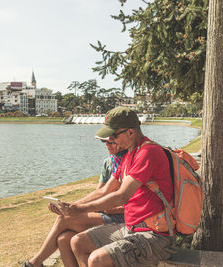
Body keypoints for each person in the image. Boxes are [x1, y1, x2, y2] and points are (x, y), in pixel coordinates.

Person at [59, 106, 176, 267]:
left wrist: (80, 210)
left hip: (155, 236)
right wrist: (72, 206)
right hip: (131, 229)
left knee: (97, 259)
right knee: (78, 242)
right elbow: (105, 190)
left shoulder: (148, 153)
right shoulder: (129, 155)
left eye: (113, 135)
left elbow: (121, 196)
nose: (111, 140)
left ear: (130, 132)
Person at [22, 139, 127, 267]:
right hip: (104, 212)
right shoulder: (109, 162)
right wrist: (71, 207)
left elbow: (127, 199)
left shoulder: (129, 161)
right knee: (63, 239)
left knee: (64, 218)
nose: (107, 145)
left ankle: (35, 263)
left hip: (121, 217)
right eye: (104, 142)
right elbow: (99, 192)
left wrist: (74, 208)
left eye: (110, 142)